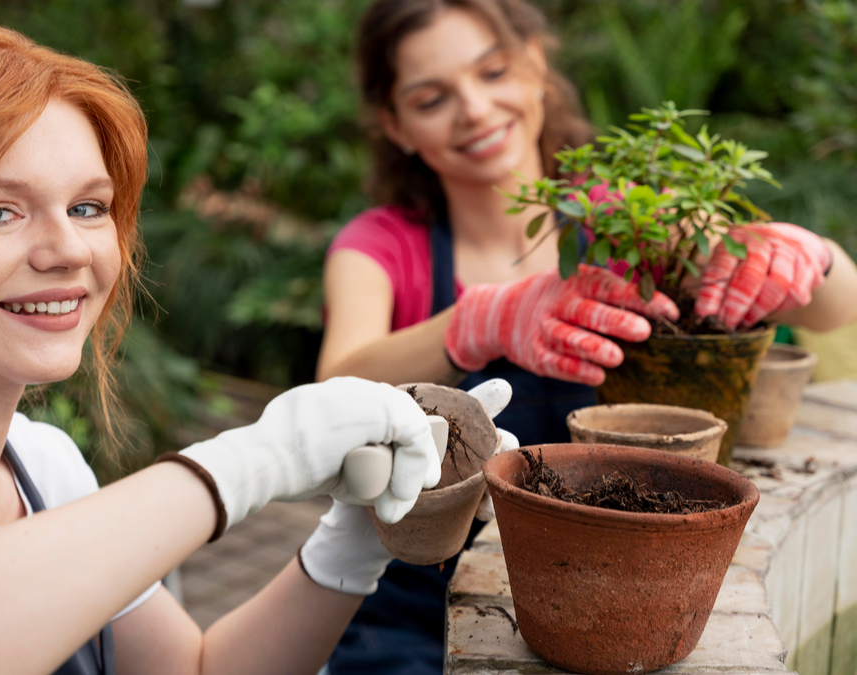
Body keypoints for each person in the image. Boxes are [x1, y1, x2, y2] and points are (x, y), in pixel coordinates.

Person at [0, 24, 525, 675]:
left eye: (90, 207)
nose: (68, 249)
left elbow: (195, 669)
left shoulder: (45, 464)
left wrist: (350, 543)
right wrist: (249, 460)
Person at [317, 1, 857, 673]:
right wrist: (471, 324)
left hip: (615, 602)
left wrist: (811, 257)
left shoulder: (627, 217)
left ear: (537, 64)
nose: (476, 109)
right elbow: (330, 390)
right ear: (395, 124)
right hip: (407, 619)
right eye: (432, 99)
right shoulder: (380, 246)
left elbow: (836, 308)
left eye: (493, 72)